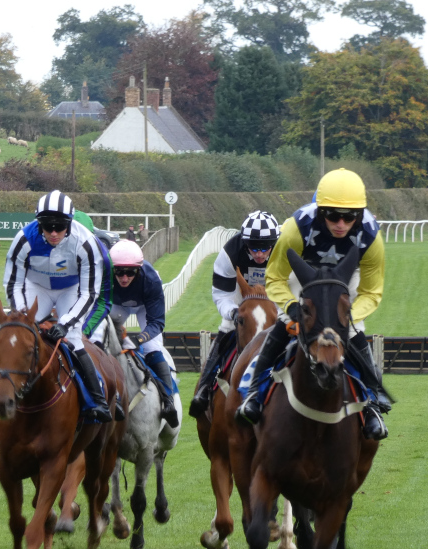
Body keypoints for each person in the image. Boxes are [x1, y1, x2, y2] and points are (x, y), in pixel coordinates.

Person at [236, 168, 391, 440]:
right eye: (333, 215)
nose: (341, 223)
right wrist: (290, 309)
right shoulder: (296, 228)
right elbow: (274, 278)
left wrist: (346, 317)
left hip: (346, 276)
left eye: (349, 216)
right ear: (320, 211)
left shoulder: (371, 237)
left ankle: (373, 402)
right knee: (287, 325)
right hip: (305, 274)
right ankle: (254, 394)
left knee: (352, 331)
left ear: (360, 215)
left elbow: (372, 292)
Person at [3, 190, 113, 423]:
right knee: (17, 334)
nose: (54, 233)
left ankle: (97, 400)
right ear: (38, 223)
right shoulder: (23, 238)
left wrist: (65, 324)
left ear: (70, 223)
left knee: (73, 339)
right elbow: (14, 282)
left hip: (71, 290)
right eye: (47, 226)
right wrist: (23, 315)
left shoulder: (86, 243)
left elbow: (89, 293)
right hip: (36, 286)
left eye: (60, 226)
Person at [189, 210, 280, 418]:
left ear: (274, 244)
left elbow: (294, 288)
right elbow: (222, 293)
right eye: (253, 248)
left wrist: (281, 313)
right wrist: (232, 312)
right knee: (225, 329)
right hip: (241, 300)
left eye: (264, 248)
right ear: (244, 243)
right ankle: (204, 388)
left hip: (276, 301)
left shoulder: (285, 251)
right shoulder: (230, 252)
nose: (259, 254)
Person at [99, 240, 179, 427]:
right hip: (117, 305)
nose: (124, 278)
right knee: (103, 343)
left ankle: (168, 401)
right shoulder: (104, 275)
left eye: (130, 272)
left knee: (152, 346)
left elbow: (157, 322)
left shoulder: (151, 280)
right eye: (119, 272)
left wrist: (139, 338)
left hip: (144, 306)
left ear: (139, 270)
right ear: (112, 269)